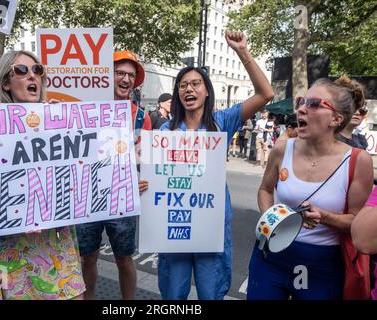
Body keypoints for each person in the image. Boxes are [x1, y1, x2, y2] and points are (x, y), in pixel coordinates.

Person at [153, 31, 273, 300]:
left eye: (196, 84)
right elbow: (155, 178)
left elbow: (266, 93)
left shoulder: (222, 122)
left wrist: (242, 51)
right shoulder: (164, 131)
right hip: (174, 226)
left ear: (207, 91)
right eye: (183, 85)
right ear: (177, 94)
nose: (189, 89)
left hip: (211, 225)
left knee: (211, 293)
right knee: (173, 295)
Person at [248, 77, 373, 300]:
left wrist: (324, 217)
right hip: (270, 255)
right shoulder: (282, 149)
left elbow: (357, 222)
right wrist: (271, 219)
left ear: (336, 119)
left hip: (321, 264)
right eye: (301, 101)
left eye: (314, 103)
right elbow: (265, 190)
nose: (301, 109)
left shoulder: (357, 160)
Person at [0, 50, 86, 300]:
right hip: (13, 243)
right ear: (6, 83)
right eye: (21, 71)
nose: (32, 76)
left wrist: (67, 126)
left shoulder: (58, 118)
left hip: (55, 236)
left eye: (37, 70)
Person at [75, 50, 151, 300]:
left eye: (131, 75)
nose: (126, 79)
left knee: (124, 258)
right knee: (88, 257)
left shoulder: (142, 117)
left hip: (122, 199)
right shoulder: (86, 109)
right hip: (88, 197)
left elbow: (144, 158)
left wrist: (141, 177)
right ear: (107, 75)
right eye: (120, 72)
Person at [335, 76, 368, 150]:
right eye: (353, 108)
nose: (357, 113)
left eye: (362, 110)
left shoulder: (361, 142)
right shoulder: (327, 141)